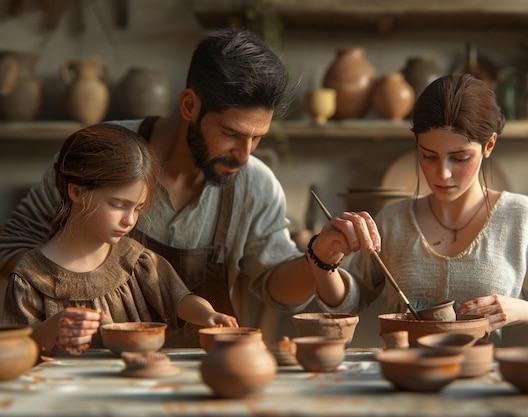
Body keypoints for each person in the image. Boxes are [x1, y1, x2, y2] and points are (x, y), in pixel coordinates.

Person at [0, 28, 348, 345]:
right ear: (189, 105)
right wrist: (76, 289)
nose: (244, 155)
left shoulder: (256, 184)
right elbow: (15, 242)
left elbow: (277, 288)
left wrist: (320, 256)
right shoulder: (101, 153)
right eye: (231, 134)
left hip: (204, 372)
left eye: (257, 138)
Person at [272, 73, 528, 346]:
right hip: (406, 380)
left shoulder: (524, 219)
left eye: (459, 158)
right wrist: (323, 260)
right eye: (429, 156)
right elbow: (348, 301)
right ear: (416, 146)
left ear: (489, 146)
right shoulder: (394, 221)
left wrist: (523, 310)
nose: (442, 173)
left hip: (492, 387)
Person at [2, 124, 238, 355]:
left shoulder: (136, 260)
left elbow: (179, 299)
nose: (130, 220)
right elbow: (14, 352)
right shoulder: (30, 278)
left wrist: (208, 314)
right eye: (118, 205)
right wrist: (47, 332)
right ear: (78, 192)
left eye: (138, 208)